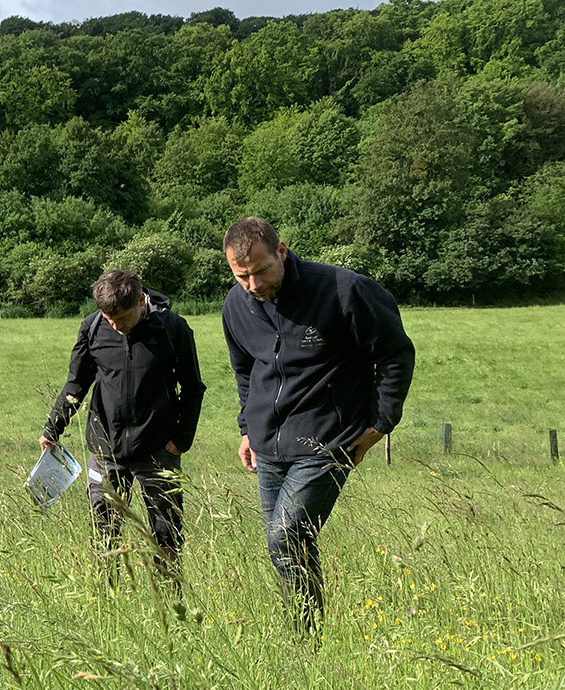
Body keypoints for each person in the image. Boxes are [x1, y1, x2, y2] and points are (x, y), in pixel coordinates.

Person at [221, 217, 415, 633]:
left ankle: (305, 635)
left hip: (328, 440)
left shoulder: (344, 290)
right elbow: (244, 371)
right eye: (242, 277)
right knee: (287, 546)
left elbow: (396, 355)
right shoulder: (235, 306)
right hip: (267, 444)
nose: (253, 285)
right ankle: (308, 638)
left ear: (282, 252)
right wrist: (245, 428)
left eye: (260, 271)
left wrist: (381, 423)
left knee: (285, 537)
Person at [41, 268, 206, 587]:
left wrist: (181, 440)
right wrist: (53, 428)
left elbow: (193, 387)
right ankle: (110, 602)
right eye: (108, 318)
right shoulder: (93, 327)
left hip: (159, 451)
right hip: (105, 450)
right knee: (105, 531)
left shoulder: (173, 328)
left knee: (166, 531)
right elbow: (77, 383)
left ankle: (172, 602)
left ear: (140, 302)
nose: (114, 325)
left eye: (121, 318)